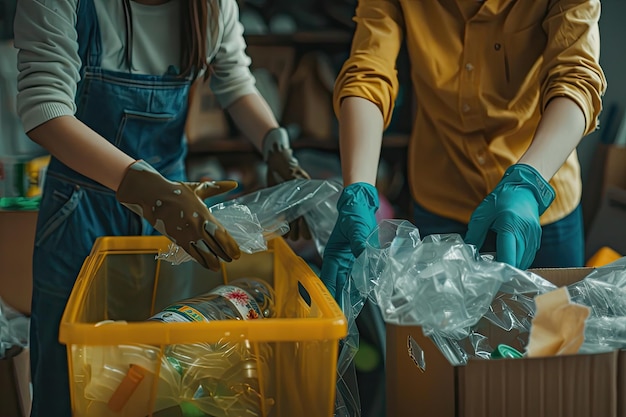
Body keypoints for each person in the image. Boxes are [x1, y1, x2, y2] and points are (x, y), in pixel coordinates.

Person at [13, 0, 309, 415]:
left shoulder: (212, 6)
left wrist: (276, 147)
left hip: (175, 220)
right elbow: (45, 109)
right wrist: (145, 190)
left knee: (164, 370)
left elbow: (234, 79)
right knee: (70, 379)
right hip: (80, 213)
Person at [321, 0, 606, 299]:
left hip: (540, 201)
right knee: (442, 341)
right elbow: (369, 70)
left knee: (552, 337)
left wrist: (529, 181)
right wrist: (359, 189)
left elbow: (576, 79)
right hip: (442, 194)